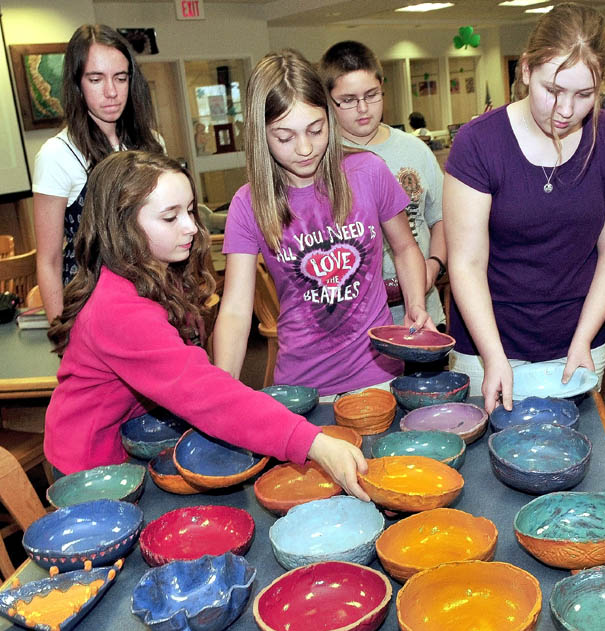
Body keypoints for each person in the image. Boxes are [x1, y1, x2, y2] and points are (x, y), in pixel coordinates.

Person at [44, 150, 369, 500]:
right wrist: (313, 443)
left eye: (189, 211)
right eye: (170, 218)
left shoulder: (152, 272)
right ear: (124, 227)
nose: (191, 227)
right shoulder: (119, 310)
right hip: (92, 468)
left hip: (132, 445)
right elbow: (202, 390)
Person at [444, 2, 605, 413]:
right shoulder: (478, 143)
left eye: (584, 94)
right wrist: (493, 356)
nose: (566, 110)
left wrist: (583, 337)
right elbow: (465, 262)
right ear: (526, 71)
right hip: (488, 340)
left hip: (578, 337)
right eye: (552, 90)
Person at [212, 50, 433, 398]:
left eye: (316, 130)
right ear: (260, 135)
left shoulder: (368, 171)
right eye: (285, 137)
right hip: (303, 387)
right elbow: (237, 311)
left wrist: (416, 305)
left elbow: (405, 248)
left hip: (380, 373)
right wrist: (220, 390)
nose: (305, 148)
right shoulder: (247, 203)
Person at [33, 24, 165, 321]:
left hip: (149, 296)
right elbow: (49, 260)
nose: (111, 92)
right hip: (91, 307)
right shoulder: (57, 155)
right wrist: (61, 337)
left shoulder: (152, 144)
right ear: (77, 83)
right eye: (96, 79)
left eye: (121, 78)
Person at [319, 40, 446, 330]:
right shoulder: (321, 158)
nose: (363, 108)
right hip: (356, 324)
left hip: (422, 313)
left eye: (372, 95)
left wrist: (434, 265)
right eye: (348, 99)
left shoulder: (416, 150)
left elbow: (439, 217)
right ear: (328, 100)